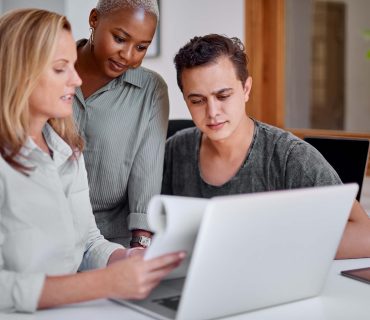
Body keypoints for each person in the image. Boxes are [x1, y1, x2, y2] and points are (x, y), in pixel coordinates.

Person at [0, 8, 184, 313]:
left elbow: (87, 241)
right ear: (20, 71)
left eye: (73, 65)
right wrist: (104, 283)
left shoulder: (66, 149)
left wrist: (126, 258)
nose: (76, 79)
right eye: (61, 68)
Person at [162, 33, 370, 259]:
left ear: (246, 89)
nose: (212, 112)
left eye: (223, 96)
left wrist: (268, 244)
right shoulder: (175, 149)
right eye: (197, 101)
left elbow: (365, 235)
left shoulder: (290, 156)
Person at [73, 0, 168, 248]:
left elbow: (146, 175)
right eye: (119, 39)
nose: (128, 56)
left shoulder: (151, 90)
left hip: (112, 238)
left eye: (141, 47)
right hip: (45, 228)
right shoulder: (47, 70)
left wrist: (140, 248)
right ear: (94, 19)